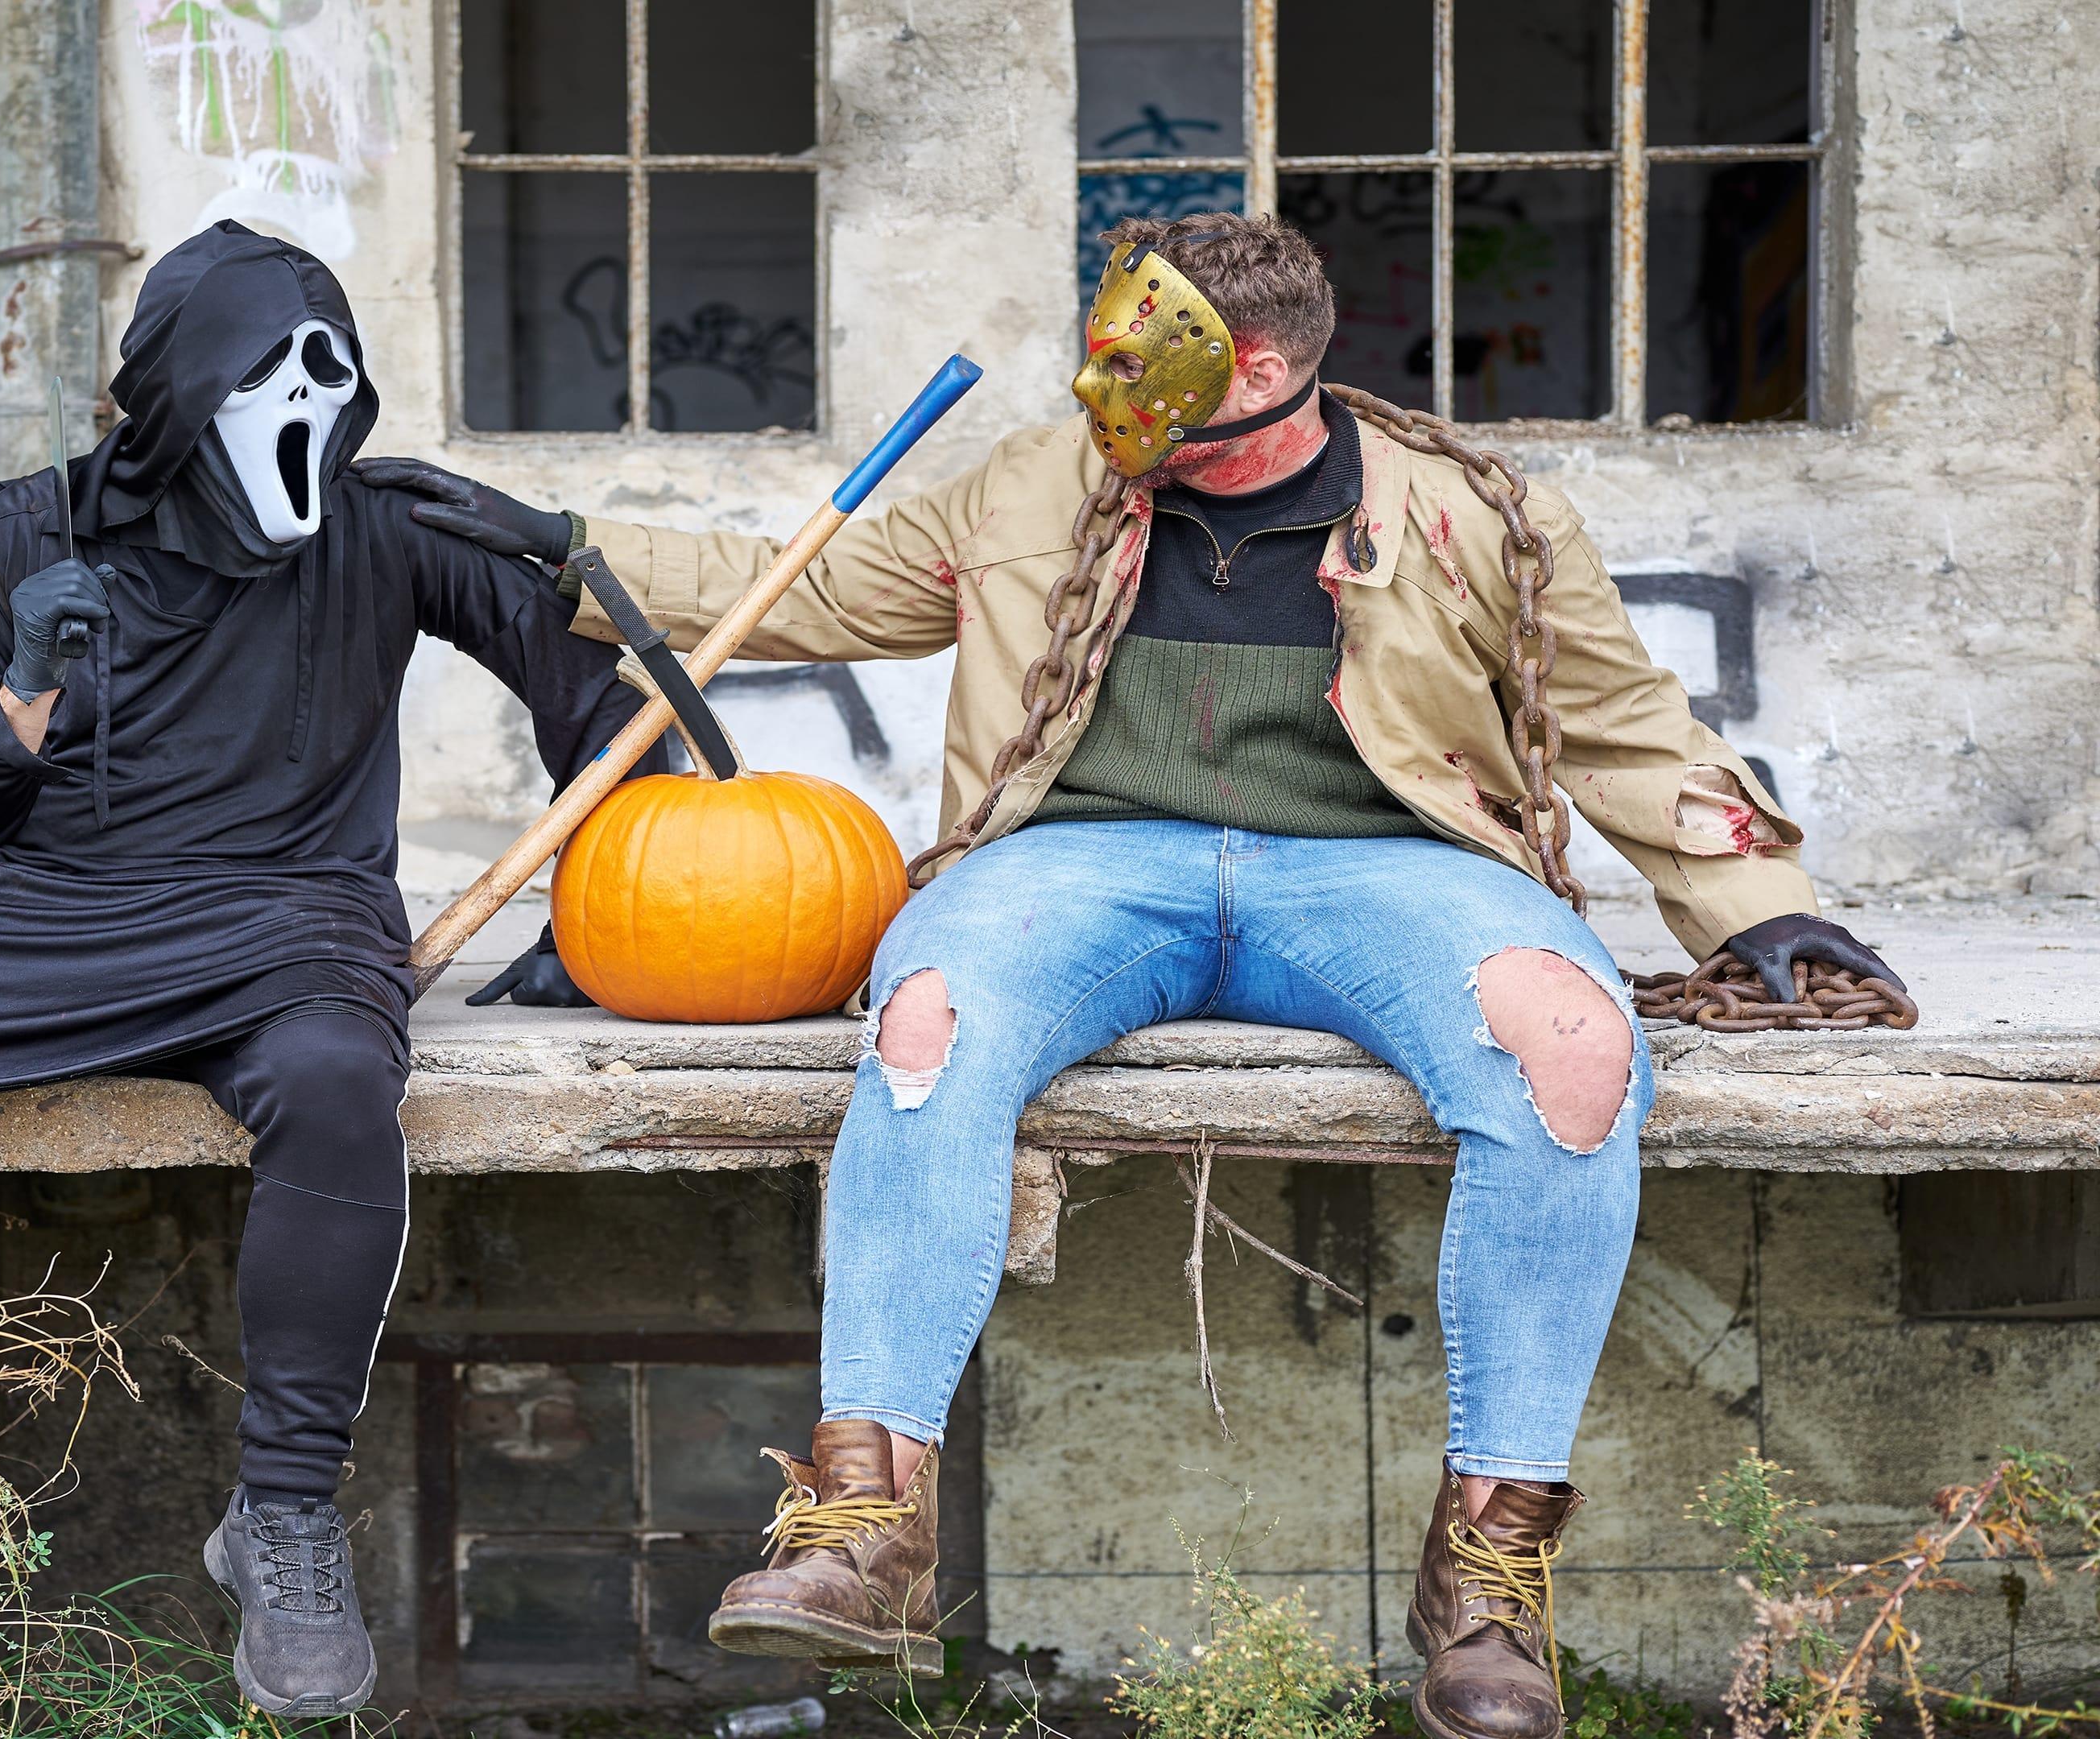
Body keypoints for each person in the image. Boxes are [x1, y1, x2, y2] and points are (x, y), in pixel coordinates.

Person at [365, 213, 1901, 1739]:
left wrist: (1752, 904)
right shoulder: (1041, 486)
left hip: (1385, 870)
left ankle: (1488, 1581)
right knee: (927, 1019)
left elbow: (1628, 721)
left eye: (1144, 371)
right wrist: (553, 542)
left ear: (1265, 370)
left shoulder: (1472, 515)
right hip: (1085, 864)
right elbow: (797, 588)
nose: (1110, 402)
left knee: (1575, 1048)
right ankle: (866, 1526)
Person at [0, 220, 650, 1725]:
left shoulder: (384, 528)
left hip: (287, 916)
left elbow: (609, 707)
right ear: (182, 400)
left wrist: (607, 900)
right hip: (34, 910)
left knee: (331, 1082)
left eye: (335, 382)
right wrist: (22, 697)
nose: (314, 418)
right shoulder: (7, 544)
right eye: (274, 387)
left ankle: (287, 1515)